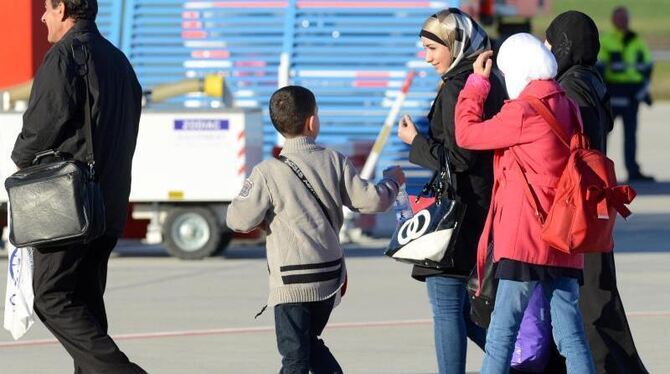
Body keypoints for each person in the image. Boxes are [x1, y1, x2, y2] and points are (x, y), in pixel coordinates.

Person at [226, 85, 404, 374]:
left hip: (292, 283)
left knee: (294, 358)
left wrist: (264, 216)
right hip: (329, 278)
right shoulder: (334, 160)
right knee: (309, 342)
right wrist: (393, 182)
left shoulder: (267, 172)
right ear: (312, 121)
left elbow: (237, 219)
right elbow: (371, 200)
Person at [10, 0, 144, 372]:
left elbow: (41, 125)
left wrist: (23, 156)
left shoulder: (65, 56)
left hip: (71, 207)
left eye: (48, 10)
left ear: (65, 9)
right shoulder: (118, 61)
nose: (42, 17)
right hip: (109, 202)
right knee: (86, 304)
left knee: (52, 296)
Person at [454, 33, 595, 373]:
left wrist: (477, 83)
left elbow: (467, 134)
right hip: (563, 237)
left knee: (503, 331)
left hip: (525, 240)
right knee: (571, 335)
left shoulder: (523, 111)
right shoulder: (568, 106)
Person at [396, 8, 505, 374]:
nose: (426, 57)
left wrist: (415, 142)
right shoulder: (485, 79)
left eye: (432, 48)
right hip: (479, 204)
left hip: (458, 212)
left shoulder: (461, 85)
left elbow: (459, 156)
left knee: (445, 306)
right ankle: (516, 363)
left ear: (454, 44)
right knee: (459, 309)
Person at [544, 11, 648, 374]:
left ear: (566, 44)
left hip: (580, 210)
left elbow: (574, 148)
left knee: (590, 305)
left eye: (551, 41)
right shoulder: (593, 80)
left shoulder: (574, 87)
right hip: (594, 207)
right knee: (597, 298)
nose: (548, 49)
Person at [598, 6, 654, 182]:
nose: (622, 21)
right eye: (619, 18)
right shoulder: (606, 41)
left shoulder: (636, 41)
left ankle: (633, 170)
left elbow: (647, 65)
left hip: (632, 93)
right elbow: (600, 69)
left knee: (631, 135)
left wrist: (642, 90)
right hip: (613, 92)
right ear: (613, 20)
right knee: (603, 134)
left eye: (624, 18)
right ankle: (599, 171)